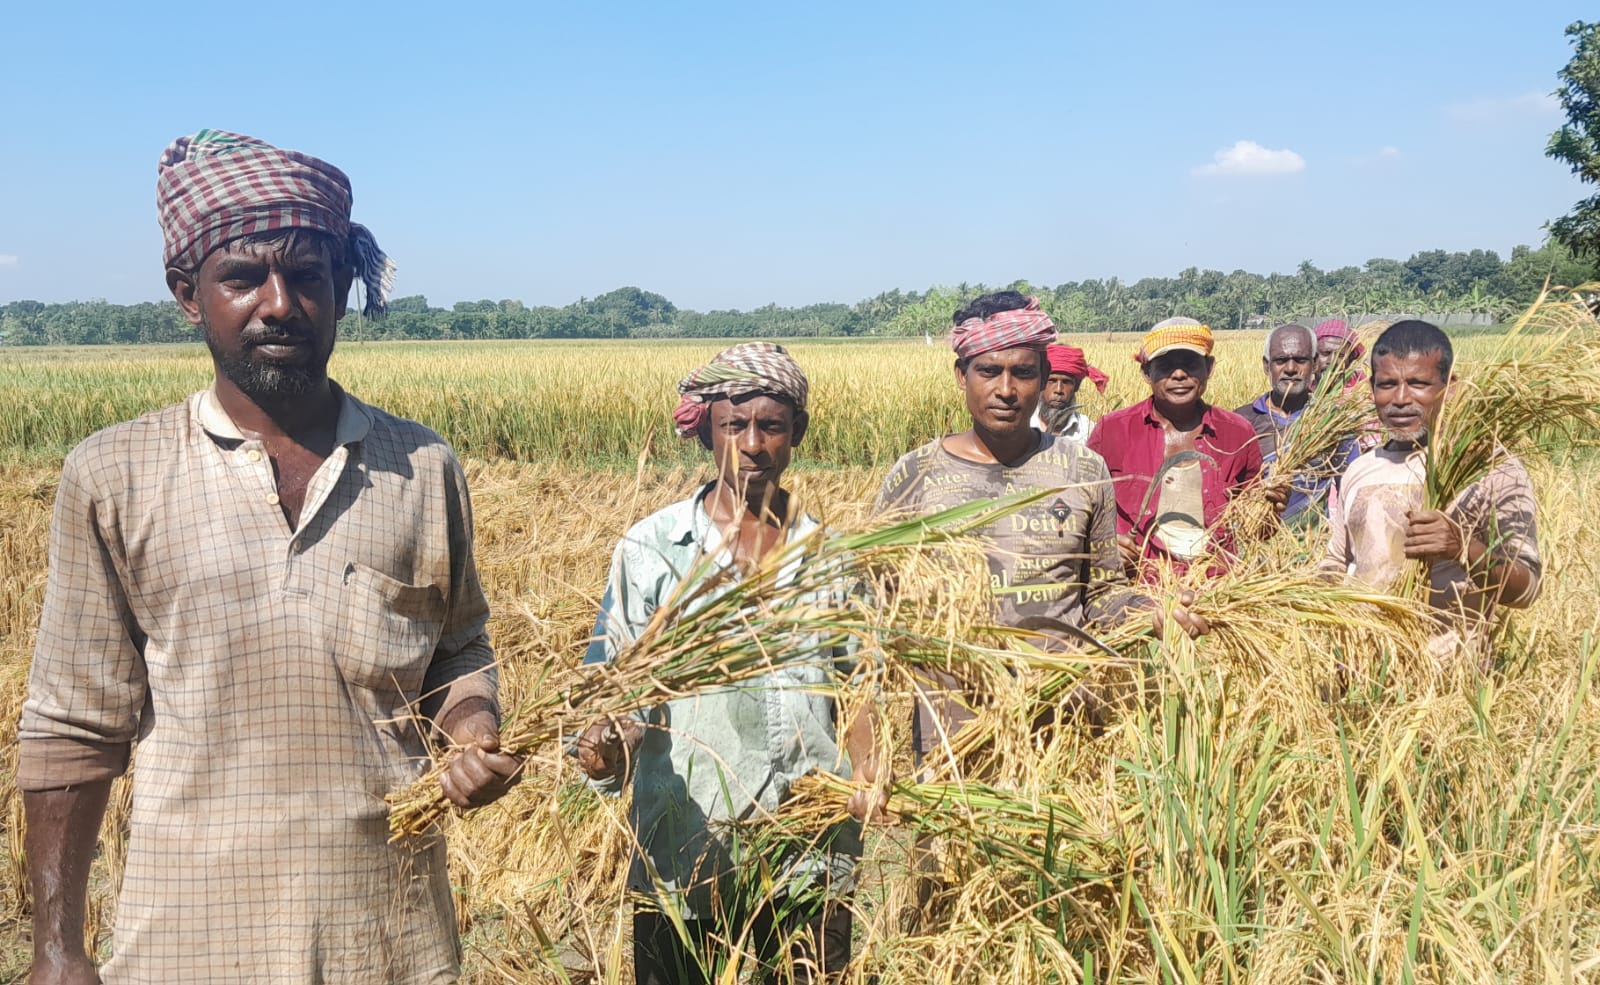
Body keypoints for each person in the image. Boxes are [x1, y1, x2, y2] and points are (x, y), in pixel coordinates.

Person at [18, 130, 520, 984]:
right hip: (187, 943)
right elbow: (74, 726)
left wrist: (473, 728)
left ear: (343, 288)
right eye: (243, 276)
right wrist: (57, 951)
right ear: (187, 294)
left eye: (309, 276)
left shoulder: (421, 465)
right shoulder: (114, 474)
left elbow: (459, 649)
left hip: (391, 941)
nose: (280, 303)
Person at [575, 342, 886, 985]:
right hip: (685, 845)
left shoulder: (828, 556)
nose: (751, 444)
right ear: (707, 432)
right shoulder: (652, 549)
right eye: (733, 426)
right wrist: (604, 745)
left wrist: (870, 771)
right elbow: (609, 685)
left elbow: (858, 682)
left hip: (807, 847)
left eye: (770, 426)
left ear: (795, 432)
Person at [875, 293, 1206, 762]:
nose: (1006, 389)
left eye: (1023, 373)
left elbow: (1102, 593)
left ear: (1045, 378)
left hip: (1062, 726)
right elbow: (876, 610)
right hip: (950, 734)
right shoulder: (915, 476)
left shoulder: (1083, 469)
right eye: (989, 371)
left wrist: (1150, 610)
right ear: (961, 376)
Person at [1318, 320, 1540, 655]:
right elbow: (1335, 564)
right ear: (1371, 389)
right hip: (1360, 672)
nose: (1401, 399)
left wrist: (1461, 547)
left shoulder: (1492, 469)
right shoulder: (1359, 469)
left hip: (1448, 682)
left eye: (1419, 383)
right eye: (1387, 384)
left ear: (1449, 387)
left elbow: (1527, 591)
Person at [1088, 317, 1284, 582]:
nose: (1179, 375)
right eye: (1166, 366)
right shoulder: (1111, 431)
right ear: (1146, 373)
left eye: (1190, 365)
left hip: (1215, 589)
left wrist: (1272, 508)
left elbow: (1256, 531)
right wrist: (1106, 546)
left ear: (1209, 368)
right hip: (1135, 588)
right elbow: (1080, 513)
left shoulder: (1238, 433)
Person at [1235, 323, 1358, 522]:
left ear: (1315, 363)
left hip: (1310, 548)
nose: (1291, 369)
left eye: (1300, 360)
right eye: (1281, 360)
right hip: (1250, 544)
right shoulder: (1241, 422)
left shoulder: (1332, 421)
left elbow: (1351, 492)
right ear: (1267, 366)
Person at [1029, 343, 1108, 439]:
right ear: (1040, 383)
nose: (1058, 390)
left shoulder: (1088, 432)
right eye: (1052, 380)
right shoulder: (1022, 427)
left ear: (1076, 386)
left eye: (1066, 382)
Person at [1314, 318, 1367, 391]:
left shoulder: (1361, 394)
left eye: (1340, 355)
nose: (1332, 361)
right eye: (1325, 353)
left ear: (1350, 360)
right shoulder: (1300, 394)